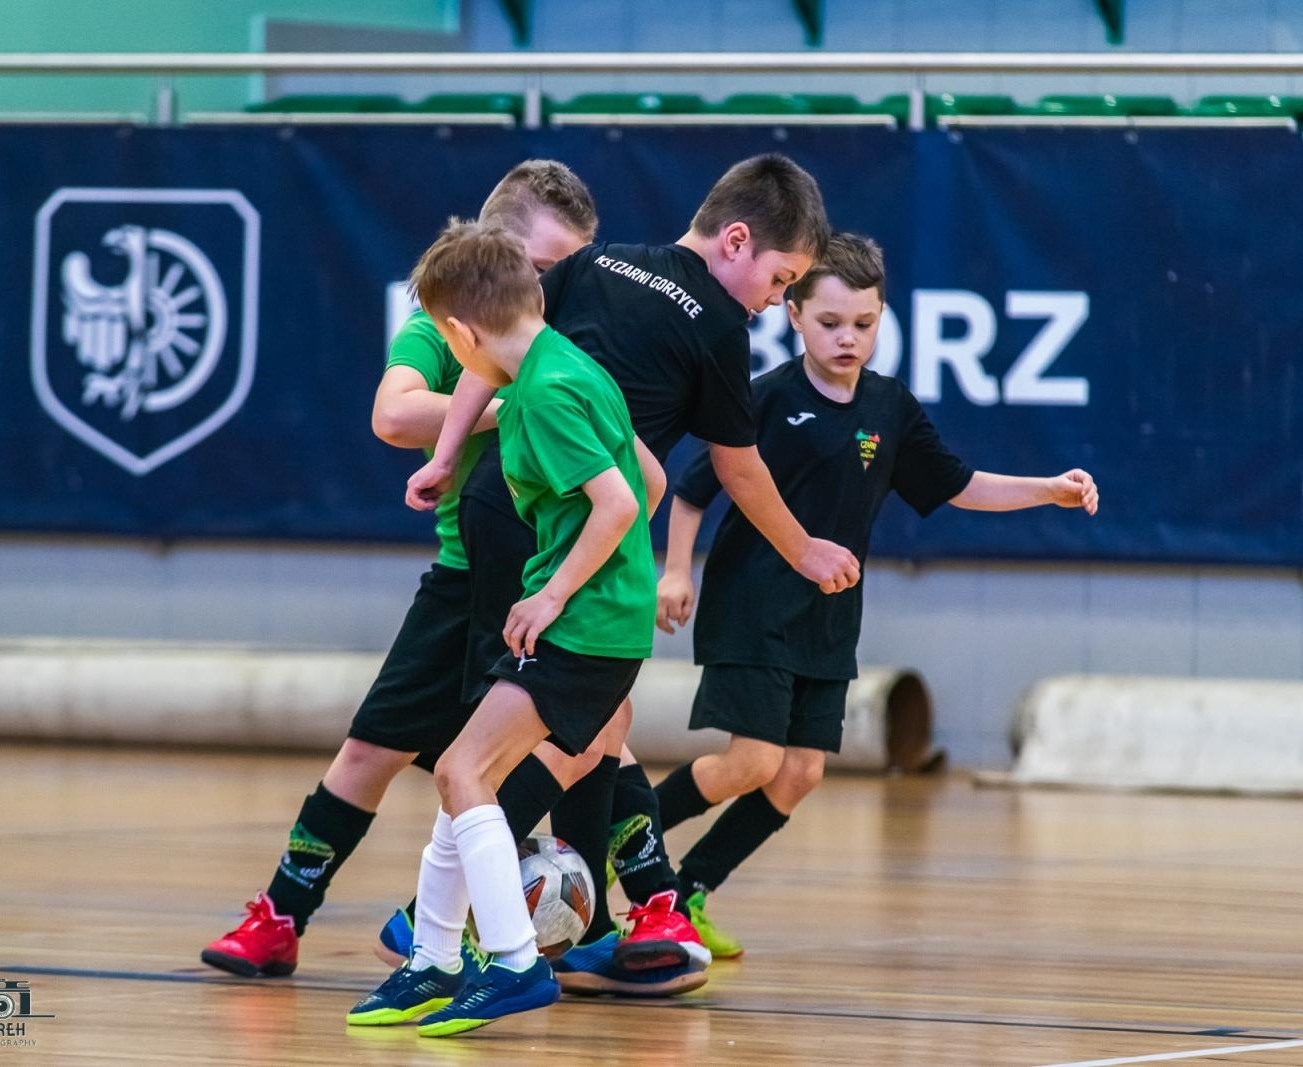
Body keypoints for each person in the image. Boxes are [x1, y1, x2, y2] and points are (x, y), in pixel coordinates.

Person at [406, 153, 850, 978]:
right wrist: (803, 547)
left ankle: (605, 917)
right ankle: (459, 921)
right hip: (565, 538)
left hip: (510, 510)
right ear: (737, 241)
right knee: (565, 730)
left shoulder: (602, 262)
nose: (775, 301)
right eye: (780, 279)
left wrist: (445, 453)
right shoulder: (719, 324)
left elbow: (488, 358)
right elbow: (739, 468)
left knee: (597, 727)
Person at [650, 234, 1100, 957]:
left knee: (800, 772)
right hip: (753, 606)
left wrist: (1047, 490)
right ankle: (627, 834)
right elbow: (693, 490)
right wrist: (676, 572)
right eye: (830, 323)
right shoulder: (762, 398)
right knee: (753, 761)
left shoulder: (890, 407)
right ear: (793, 313)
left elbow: (958, 485)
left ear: (882, 316)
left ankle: (689, 887)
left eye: (863, 324)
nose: (847, 338)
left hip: (827, 618)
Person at [200, 162, 596, 979]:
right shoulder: (448, 325)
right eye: (550, 268)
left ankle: (598, 921)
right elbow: (392, 413)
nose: (561, 286)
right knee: (371, 748)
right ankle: (280, 914)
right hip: (464, 578)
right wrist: (507, 404)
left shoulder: (576, 330)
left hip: (550, 576)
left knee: (588, 741)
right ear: (498, 255)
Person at [348, 221, 660, 1037]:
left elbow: (621, 503)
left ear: (462, 333)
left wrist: (553, 594)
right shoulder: (559, 364)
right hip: (603, 620)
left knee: (463, 774)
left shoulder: (549, 393)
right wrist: (448, 454)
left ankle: (516, 962)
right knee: (462, 772)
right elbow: (645, 478)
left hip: (585, 627)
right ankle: (433, 960)